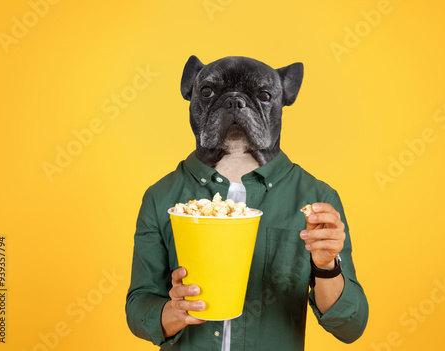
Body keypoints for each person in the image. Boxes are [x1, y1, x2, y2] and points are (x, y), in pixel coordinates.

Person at [126, 55, 368, 350]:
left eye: (263, 96)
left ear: (285, 95)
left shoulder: (315, 198)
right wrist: (173, 312)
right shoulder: (162, 196)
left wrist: (326, 266)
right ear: (189, 89)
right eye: (209, 93)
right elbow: (139, 307)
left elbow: (351, 326)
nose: (235, 105)